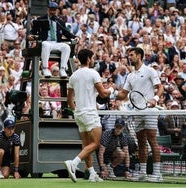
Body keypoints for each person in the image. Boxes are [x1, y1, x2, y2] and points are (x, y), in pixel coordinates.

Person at [64, 49, 116, 183]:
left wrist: (76, 111)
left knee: (86, 144)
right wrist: (112, 89)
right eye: (92, 58)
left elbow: (69, 99)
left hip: (79, 114)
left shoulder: (73, 76)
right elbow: (104, 94)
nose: (93, 60)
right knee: (95, 144)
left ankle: (92, 173)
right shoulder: (93, 73)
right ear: (88, 59)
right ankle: (74, 163)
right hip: (90, 114)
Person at [116, 47, 164, 182]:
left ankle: (157, 174)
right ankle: (143, 172)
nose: (129, 57)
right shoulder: (130, 76)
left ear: (139, 56)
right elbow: (123, 94)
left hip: (149, 111)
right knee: (141, 142)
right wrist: (112, 93)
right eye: (129, 55)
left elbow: (160, 87)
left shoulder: (149, 71)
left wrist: (155, 99)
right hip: (137, 112)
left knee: (152, 140)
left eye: (131, 55)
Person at [28, 2, 79, 78]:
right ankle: (45, 68)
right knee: (46, 45)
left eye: (54, 10)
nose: (52, 12)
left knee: (66, 47)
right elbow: (33, 30)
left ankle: (62, 69)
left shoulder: (59, 21)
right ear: (48, 10)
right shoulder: (41, 19)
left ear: (56, 11)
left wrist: (74, 37)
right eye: (51, 10)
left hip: (56, 42)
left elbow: (66, 32)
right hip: (45, 42)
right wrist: (30, 35)